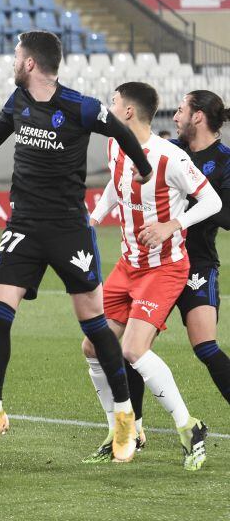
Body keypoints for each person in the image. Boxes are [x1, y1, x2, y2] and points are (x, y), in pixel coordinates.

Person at [0, 31, 154, 460]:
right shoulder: (18, 102)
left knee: (94, 324)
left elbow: (123, 133)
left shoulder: (80, 106)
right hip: (23, 227)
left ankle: (125, 416)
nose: (13, 62)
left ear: (30, 63)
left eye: (17, 56)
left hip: (69, 229)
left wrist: (142, 168)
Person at [82, 83, 220, 470]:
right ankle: (121, 432)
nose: (109, 107)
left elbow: (212, 200)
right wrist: (95, 216)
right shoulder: (114, 145)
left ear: (128, 111)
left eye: (114, 102)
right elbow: (116, 185)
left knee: (132, 349)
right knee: (92, 347)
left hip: (164, 267)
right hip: (128, 265)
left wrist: (172, 224)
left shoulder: (169, 157)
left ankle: (189, 427)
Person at [115, 91, 230, 460]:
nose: (175, 116)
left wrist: (185, 198)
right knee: (131, 348)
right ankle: (135, 429)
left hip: (197, 263)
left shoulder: (224, 160)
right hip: (155, 263)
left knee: (205, 347)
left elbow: (227, 215)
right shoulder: (168, 150)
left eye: (181, 110)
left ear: (198, 117)